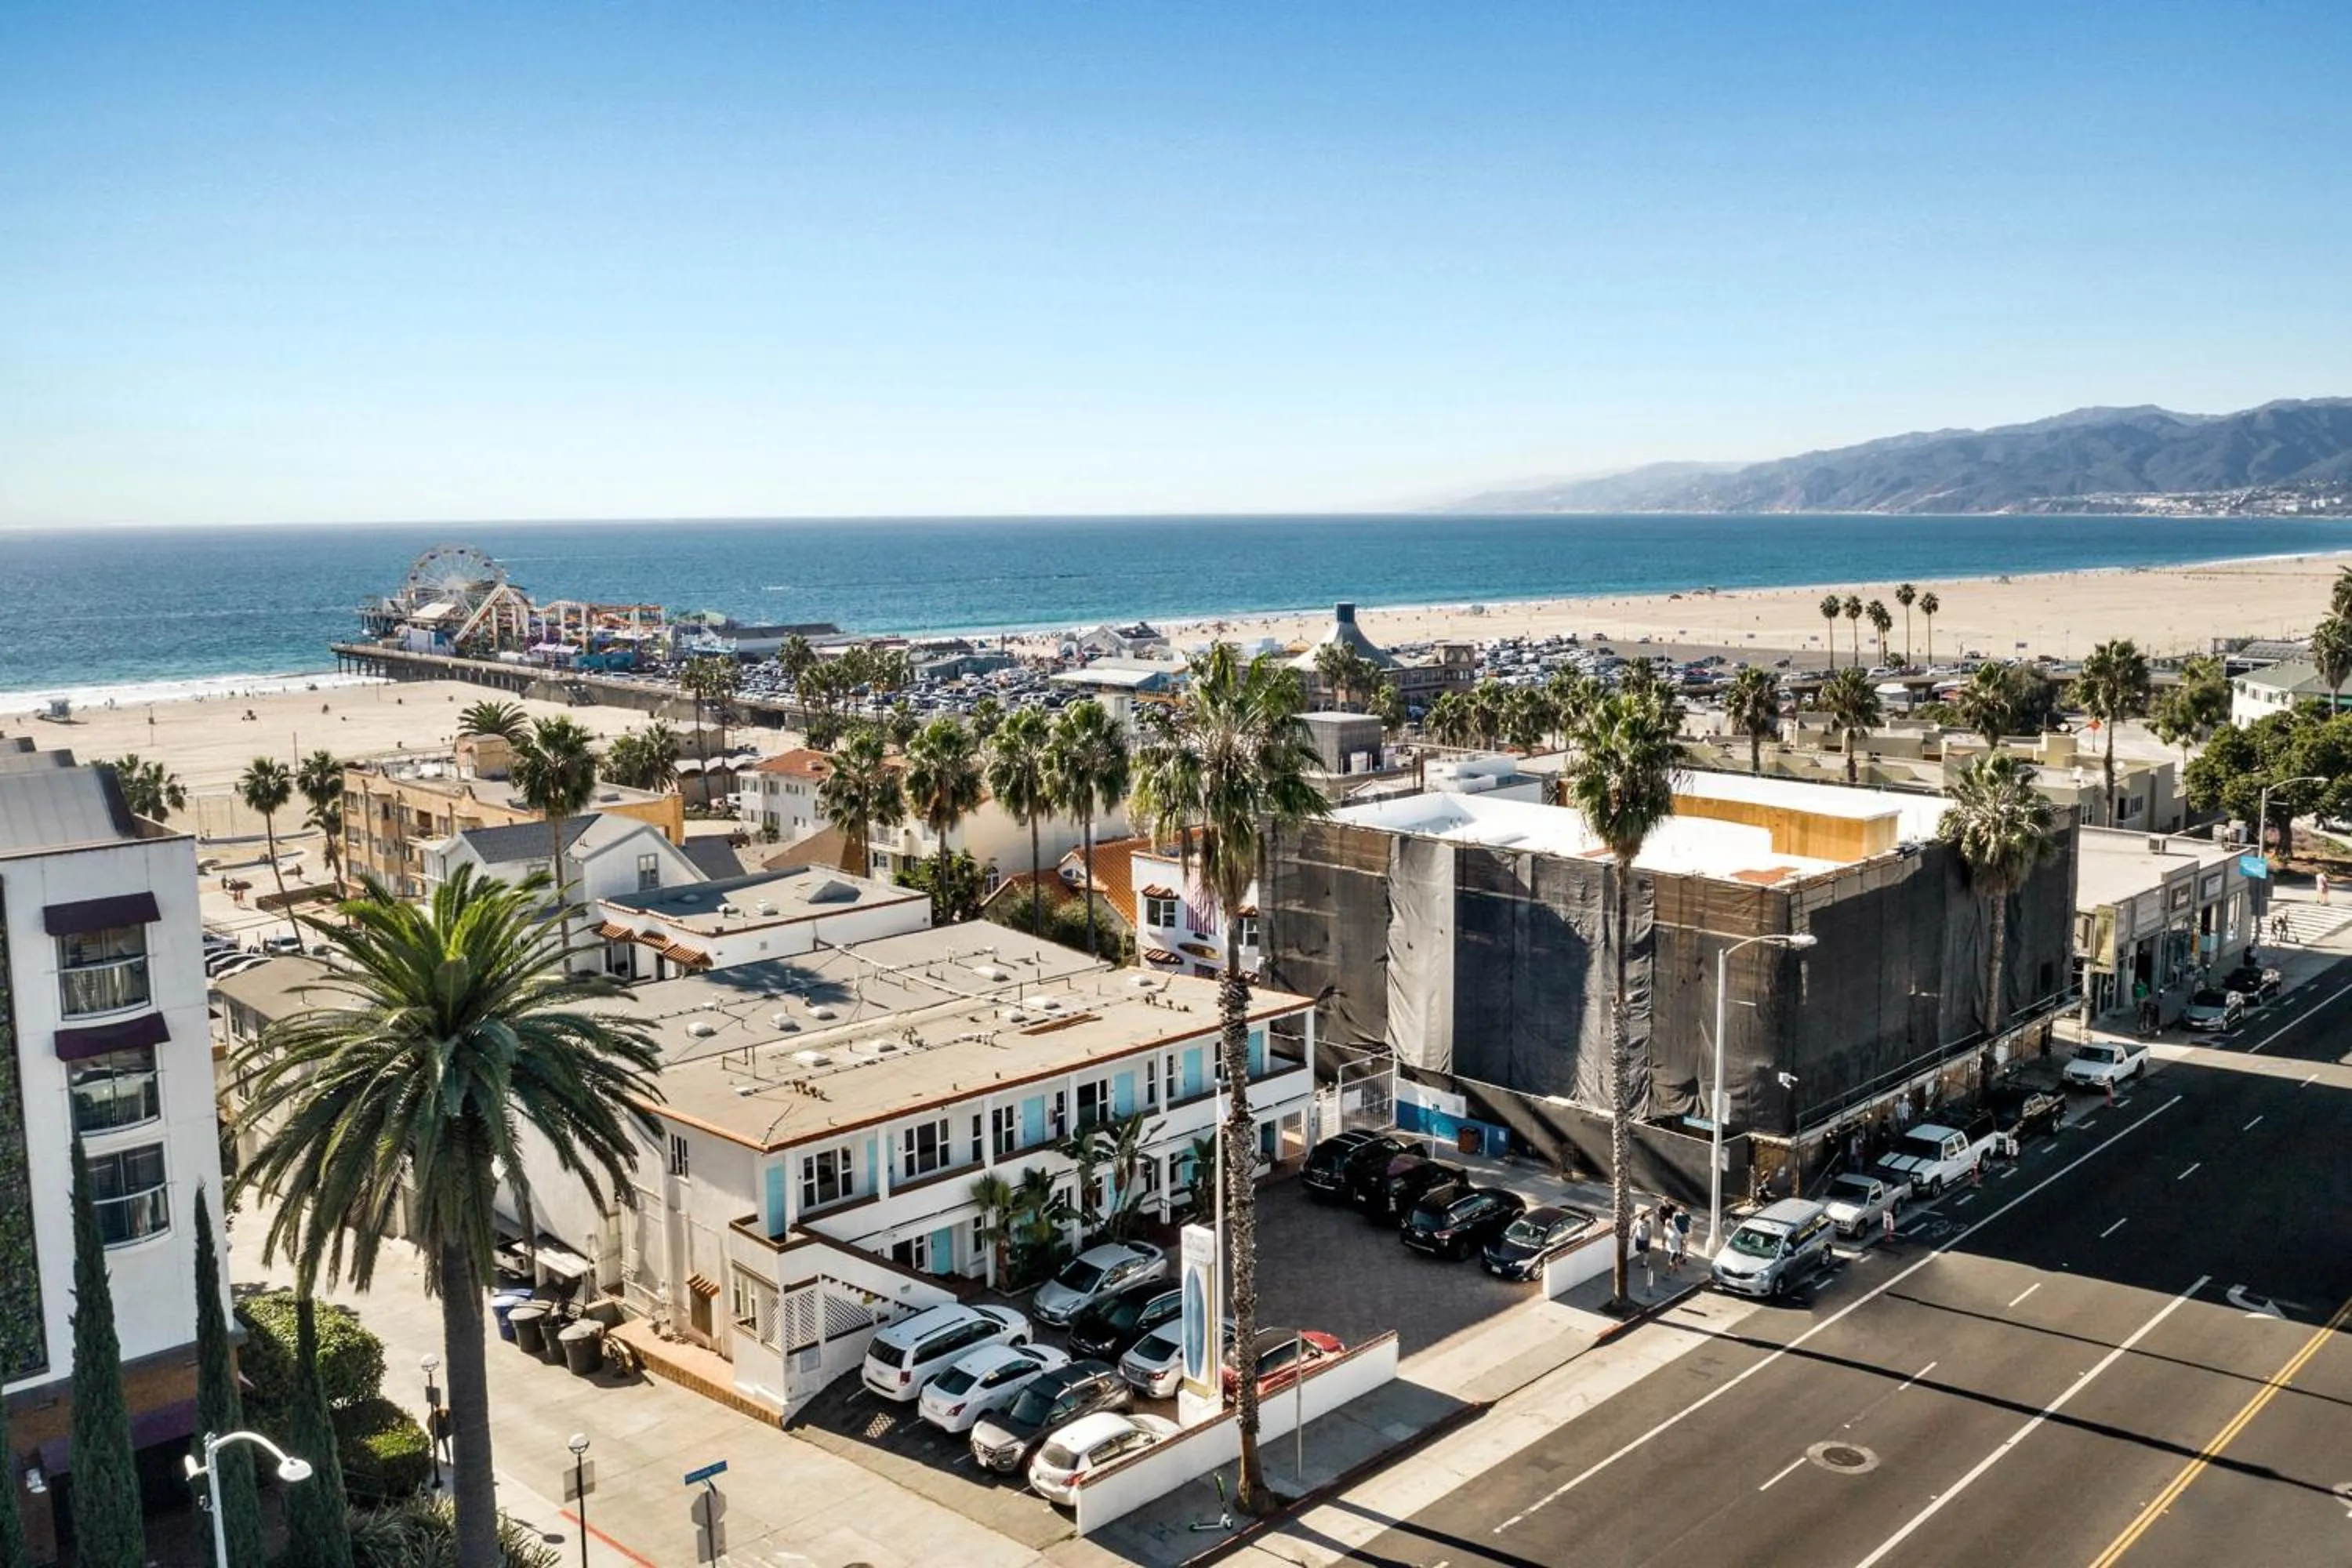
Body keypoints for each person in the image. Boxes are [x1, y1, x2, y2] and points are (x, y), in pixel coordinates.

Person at [1633, 1210, 1655, 1290]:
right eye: (1641, 1218)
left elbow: (1650, 1232)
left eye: (1642, 1218)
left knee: (1646, 1251)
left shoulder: (1648, 1223)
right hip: (1639, 1239)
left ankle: (1645, 1262)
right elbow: (1634, 1228)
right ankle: (1644, 1258)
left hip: (1645, 1240)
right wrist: (1632, 1235)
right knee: (1639, 1250)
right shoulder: (1637, 1222)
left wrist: (1649, 1239)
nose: (1641, 1220)